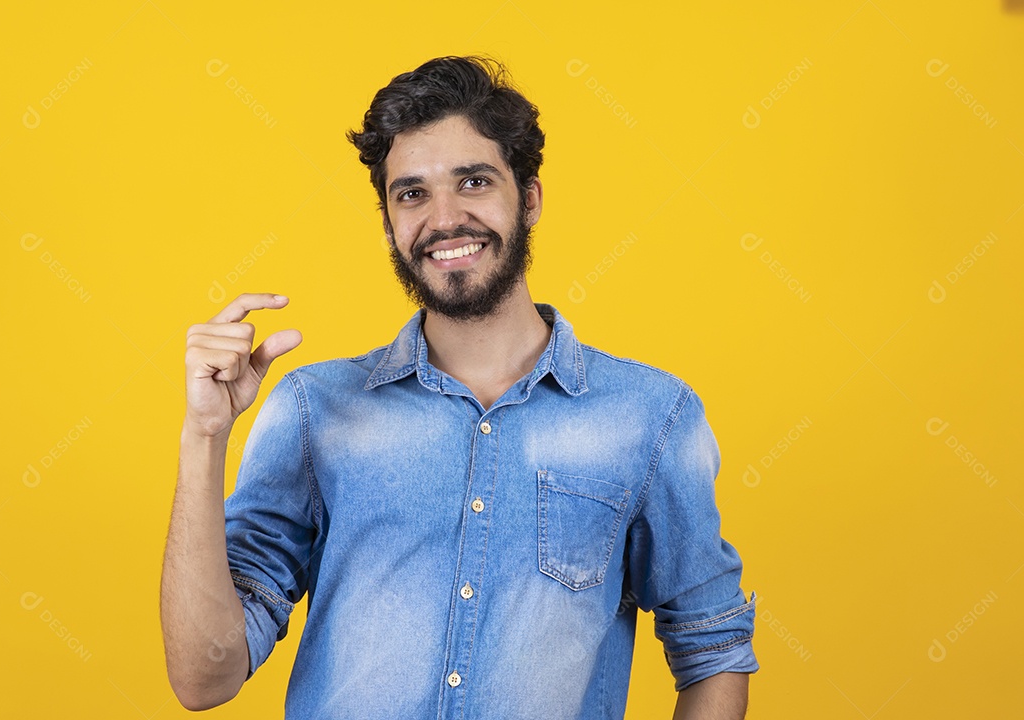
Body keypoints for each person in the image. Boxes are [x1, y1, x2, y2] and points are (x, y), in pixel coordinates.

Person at [161, 55, 758, 720]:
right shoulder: (313, 411)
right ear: (389, 223)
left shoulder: (650, 417)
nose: (445, 219)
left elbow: (713, 651)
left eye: (473, 182)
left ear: (528, 198)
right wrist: (205, 433)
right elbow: (203, 679)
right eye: (412, 193)